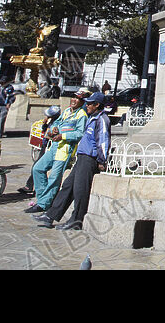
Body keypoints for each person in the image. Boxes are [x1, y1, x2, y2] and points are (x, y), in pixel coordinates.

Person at [35, 92, 111, 231]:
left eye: (89, 103)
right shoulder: (92, 117)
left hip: (90, 158)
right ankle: (51, 215)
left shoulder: (102, 120)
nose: (87, 105)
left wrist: (102, 160)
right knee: (68, 186)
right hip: (82, 157)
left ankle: (76, 220)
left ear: (97, 105)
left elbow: (103, 141)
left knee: (80, 190)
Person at [25, 93, 89, 214]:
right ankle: (43, 199)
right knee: (37, 169)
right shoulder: (66, 111)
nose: (74, 100)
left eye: (78, 99)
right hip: (54, 146)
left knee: (54, 177)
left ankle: (43, 204)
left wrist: (63, 136)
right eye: (73, 97)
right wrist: (52, 129)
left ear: (82, 102)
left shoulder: (82, 115)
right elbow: (56, 123)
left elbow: (80, 133)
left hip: (65, 149)